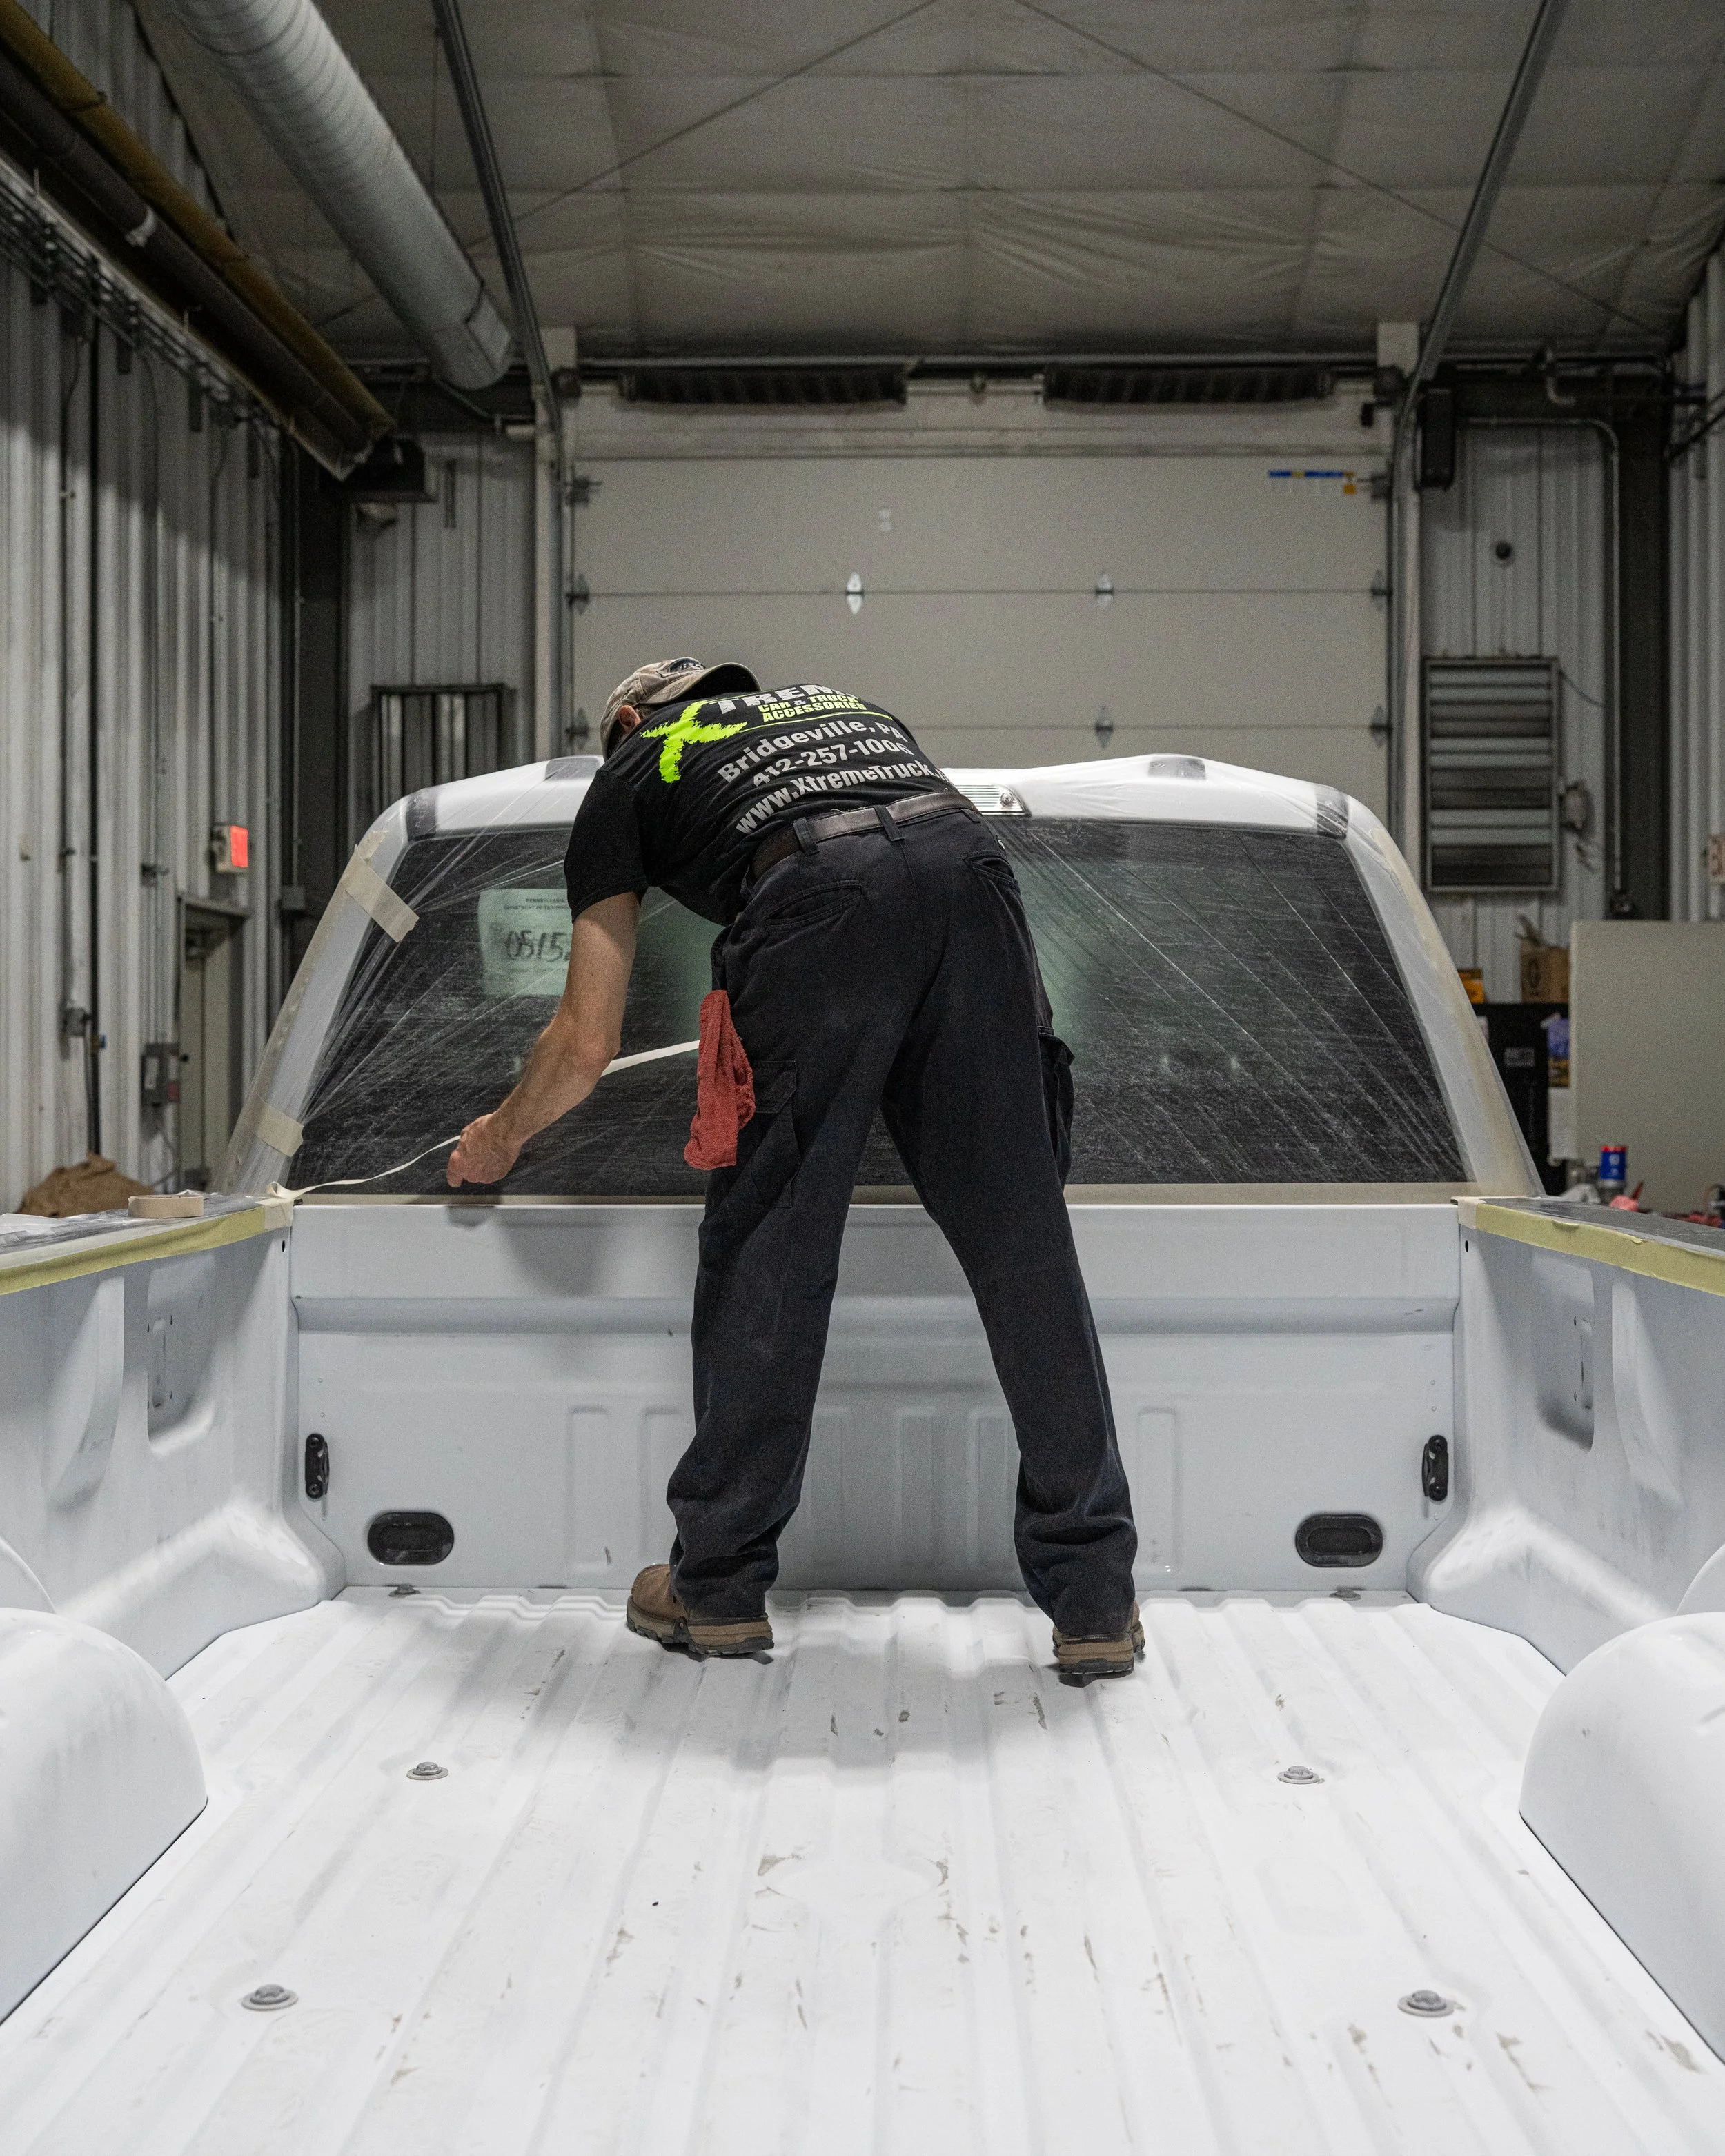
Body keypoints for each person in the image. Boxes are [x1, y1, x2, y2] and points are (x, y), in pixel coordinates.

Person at [448, 659, 1140, 1681]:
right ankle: (1095, 1603)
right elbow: (915, 866)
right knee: (1024, 1245)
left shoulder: (631, 767)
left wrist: (499, 1137)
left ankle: (717, 1585)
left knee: (770, 1246)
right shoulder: (851, 705)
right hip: (972, 877)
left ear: (630, 720)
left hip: (815, 901)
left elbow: (585, 1042)